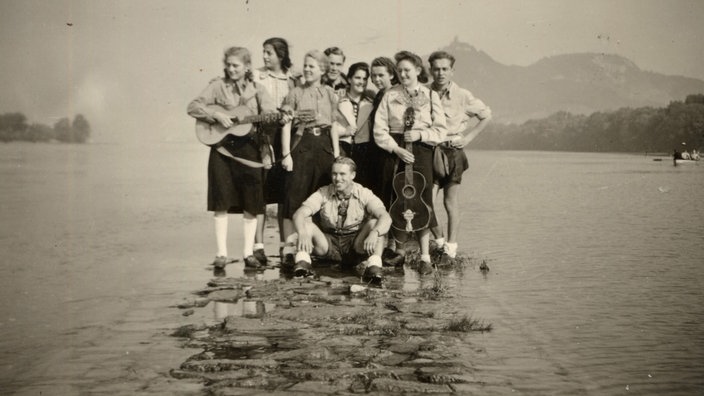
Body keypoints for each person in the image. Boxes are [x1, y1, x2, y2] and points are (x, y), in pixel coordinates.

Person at [187, 46, 276, 269]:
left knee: (251, 200)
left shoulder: (258, 90)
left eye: (236, 65)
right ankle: (221, 254)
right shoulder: (217, 85)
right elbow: (193, 106)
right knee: (221, 199)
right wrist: (215, 114)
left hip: (250, 149)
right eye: (228, 65)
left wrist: (274, 118)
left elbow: (270, 114)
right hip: (222, 148)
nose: (231, 69)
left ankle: (248, 253)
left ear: (247, 67)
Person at [373, 50, 448, 274]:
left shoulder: (430, 95)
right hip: (394, 151)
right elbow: (379, 129)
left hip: (421, 151)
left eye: (407, 70)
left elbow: (441, 130)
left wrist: (420, 136)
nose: (403, 74)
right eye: (400, 70)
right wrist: (395, 148)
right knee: (395, 199)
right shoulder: (389, 94)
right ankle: (399, 252)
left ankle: (425, 256)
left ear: (418, 70)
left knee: (422, 201)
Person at [427, 51, 492, 260]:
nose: (440, 73)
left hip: (453, 151)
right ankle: (438, 240)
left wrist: (469, 137)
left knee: (450, 201)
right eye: (436, 68)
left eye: (445, 69)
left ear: (452, 71)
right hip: (429, 150)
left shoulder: (463, 95)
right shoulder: (424, 93)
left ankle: (451, 247)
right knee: (424, 202)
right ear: (430, 70)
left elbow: (486, 115)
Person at [289, 157, 391, 281]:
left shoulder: (364, 193)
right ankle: (303, 264)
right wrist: (302, 233)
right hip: (328, 243)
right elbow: (299, 213)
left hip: (355, 244)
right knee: (305, 223)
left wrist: (375, 232)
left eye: (342, 174)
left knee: (375, 223)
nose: (337, 179)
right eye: (334, 174)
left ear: (353, 175)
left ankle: (374, 267)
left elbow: (385, 217)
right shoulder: (323, 192)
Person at [280, 50, 340, 259]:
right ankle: (289, 248)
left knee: (321, 195)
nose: (306, 69)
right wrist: (286, 154)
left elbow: (333, 126)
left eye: (311, 66)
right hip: (302, 145)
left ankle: (315, 248)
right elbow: (286, 126)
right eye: (305, 65)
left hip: (324, 147)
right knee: (293, 195)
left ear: (322, 70)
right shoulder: (295, 93)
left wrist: (337, 155)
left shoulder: (330, 94)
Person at [254, 37, 299, 262]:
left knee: (284, 193)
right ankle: (258, 246)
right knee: (260, 193)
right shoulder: (255, 76)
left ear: (280, 55)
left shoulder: (292, 79)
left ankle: (284, 245)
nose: (264, 56)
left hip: (285, 138)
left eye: (269, 52)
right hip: (261, 138)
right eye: (263, 52)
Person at [332, 62, 375, 188]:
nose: (361, 82)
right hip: (342, 148)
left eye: (364, 78)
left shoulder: (371, 101)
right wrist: (344, 131)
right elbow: (330, 125)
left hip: (364, 150)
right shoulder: (337, 98)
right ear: (349, 79)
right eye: (357, 78)